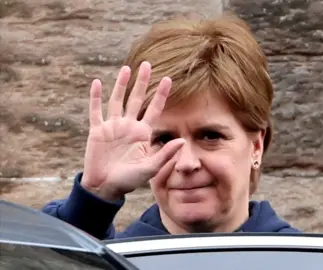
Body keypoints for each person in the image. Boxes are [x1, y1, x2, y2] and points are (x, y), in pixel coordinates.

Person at [41, 13, 301, 240]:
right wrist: (94, 199)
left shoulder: (310, 260)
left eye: (210, 136)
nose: (185, 163)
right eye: (164, 139)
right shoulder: (114, 260)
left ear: (256, 146)